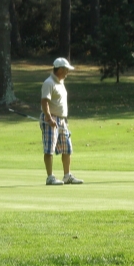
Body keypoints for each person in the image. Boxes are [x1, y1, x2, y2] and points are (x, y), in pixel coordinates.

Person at [40, 57, 83, 185]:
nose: (67, 72)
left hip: (62, 120)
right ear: (59, 70)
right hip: (51, 119)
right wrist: (48, 117)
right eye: (66, 70)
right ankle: (50, 177)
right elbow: (44, 101)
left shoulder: (60, 82)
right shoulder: (49, 83)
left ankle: (67, 175)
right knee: (49, 148)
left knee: (67, 148)